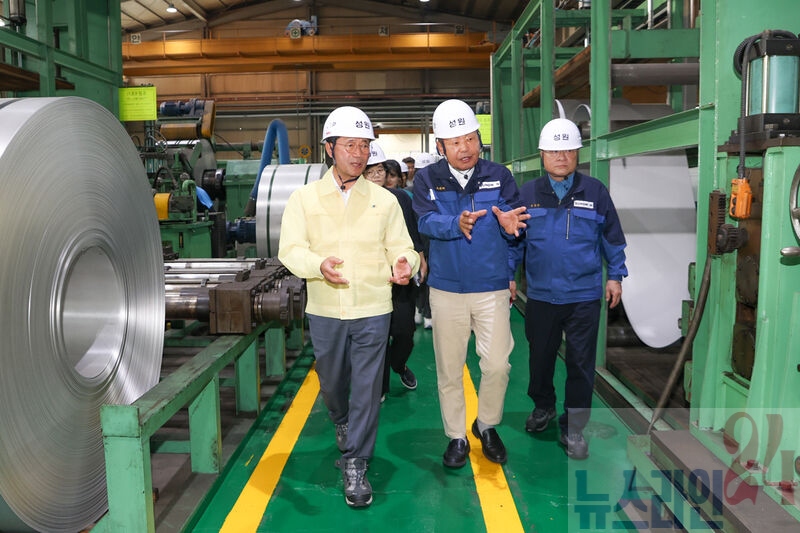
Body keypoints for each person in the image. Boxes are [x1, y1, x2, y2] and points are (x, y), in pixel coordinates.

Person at [278, 106, 419, 507]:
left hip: (373, 307)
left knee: (369, 389)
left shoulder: (384, 201)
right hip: (326, 309)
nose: (359, 154)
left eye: (364, 146)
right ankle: (340, 419)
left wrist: (406, 264)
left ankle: (356, 462)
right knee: (333, 384)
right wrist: (317, 265)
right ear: (329, 148)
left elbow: (403, 247)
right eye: (350, 145)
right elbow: (290, 249)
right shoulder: (304, 199)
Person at [412, 99, 529, 468]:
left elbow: (513, 223)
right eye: (455, 142)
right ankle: (456, 436)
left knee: (497, 365)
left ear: (480, 139)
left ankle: (486, 425)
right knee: (449, 369)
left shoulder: (500, 176)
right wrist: (455, 224)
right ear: (440, 146)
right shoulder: (427, 180)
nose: (465, 149)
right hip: (446, 290)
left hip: (491, 287)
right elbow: (424, 221)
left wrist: (510, 237)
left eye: (470, 139)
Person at [518, 118, 627, 460]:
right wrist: (508, 276)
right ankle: (543, 406)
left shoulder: (595, 192)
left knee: (581, 363)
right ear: (542, 154)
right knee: (540, 358)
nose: (561, 157)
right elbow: (514, 241)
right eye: (554, 151)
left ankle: (574, 427)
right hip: (541, 295)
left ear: (578, 153)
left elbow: (612, 237)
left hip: (583, 296)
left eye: (568, 150)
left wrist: (615, 276)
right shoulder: (528, 194)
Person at [363, 145, 426, 399]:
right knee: (376, 336)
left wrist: (420, 258)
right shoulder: (353, 203)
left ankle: (399, 365)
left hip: (400, 278)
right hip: (370, 281)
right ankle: (380, 386)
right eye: (370, 172)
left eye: (380, 171)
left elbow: (412, 233)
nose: (376, 176)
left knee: (404, 332)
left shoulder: (400, 198)